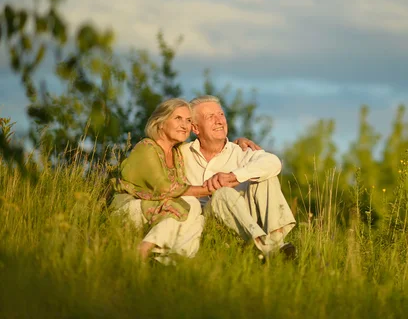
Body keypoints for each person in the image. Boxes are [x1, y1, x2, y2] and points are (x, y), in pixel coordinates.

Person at [181, 95, 297, 259]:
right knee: (222, 193)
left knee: (265, 175)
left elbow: (273, 162)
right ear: (195, 128)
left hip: (244, 222)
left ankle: (274, 244)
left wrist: (233, 176)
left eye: (221, 114)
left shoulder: (241, 151)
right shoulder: (182, 154)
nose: (219, 121)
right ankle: (270, 250)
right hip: (207, 225)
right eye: (210, 117)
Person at [110, 98, 211, 263]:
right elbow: (165, 189)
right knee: (190, 204)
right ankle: (143, 250)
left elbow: (208, 145)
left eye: (188, 121)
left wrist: (238, 142)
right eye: (178, 118)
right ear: (160, 122)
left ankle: (168, 261)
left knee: (198, 219)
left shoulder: (177, 154)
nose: (185, 125)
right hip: (128, 209)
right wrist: (207, 189)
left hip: (158, 209)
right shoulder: (146, 148)